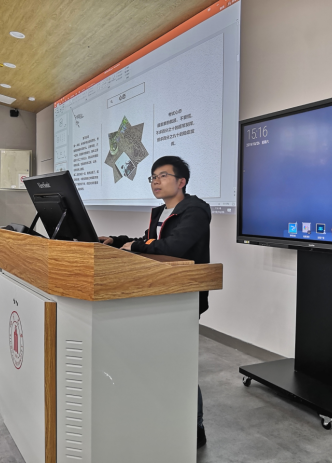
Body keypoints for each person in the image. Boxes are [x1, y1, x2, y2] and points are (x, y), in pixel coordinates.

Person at [99, 156, 211, 449]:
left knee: (180, 363)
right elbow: (151, 241)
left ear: (181, 181)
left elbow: (174, 247)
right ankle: (161, 418)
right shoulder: (160, 211)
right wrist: (117, 240)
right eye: (152, 177)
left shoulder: (195, 210)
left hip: (183, 295)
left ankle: (195, 427)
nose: (155, 182)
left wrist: (135, 246)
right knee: (159, 360)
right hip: (158, 293)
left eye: (162, 176)